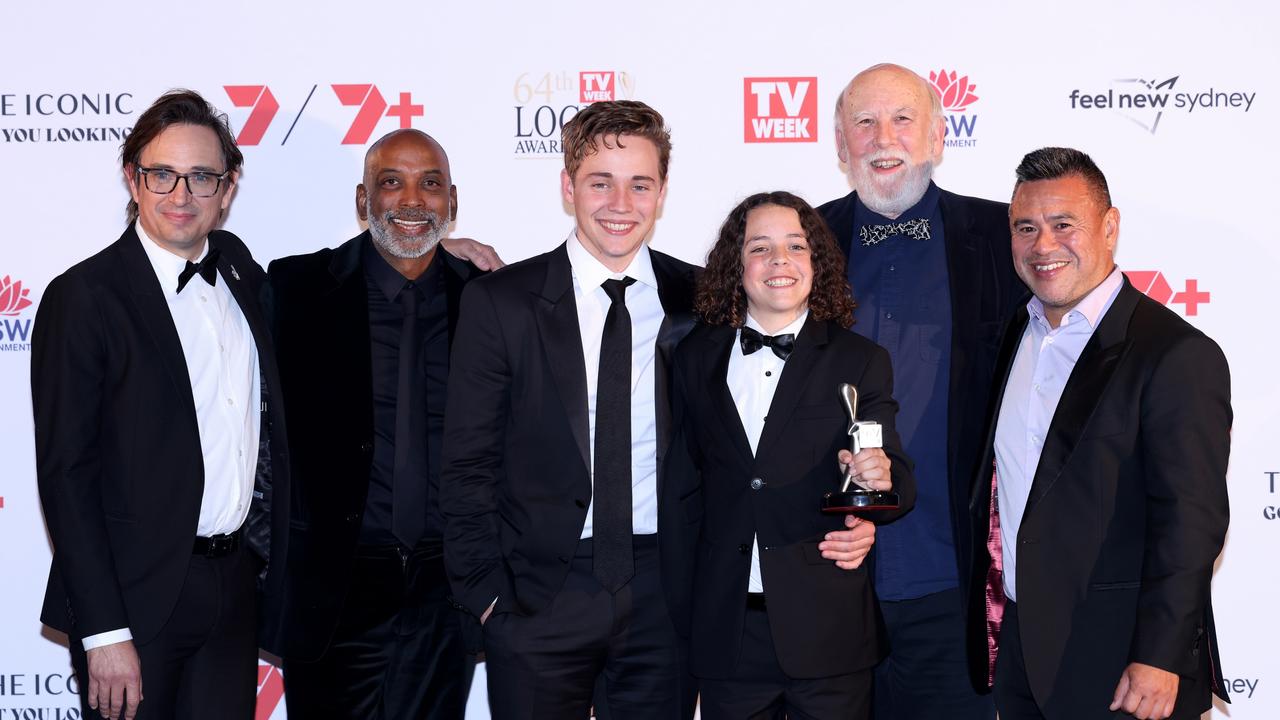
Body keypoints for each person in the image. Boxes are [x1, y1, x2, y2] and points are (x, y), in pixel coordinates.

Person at [442, 99, 714, 719]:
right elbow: (465, 464)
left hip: (664, 594)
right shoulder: (501, 302)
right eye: (601, 183)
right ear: (568, 187)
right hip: (538, 596)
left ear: (662, 192)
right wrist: (488, 598)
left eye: (639, 184)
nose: (621, 204)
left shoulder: (702, 299)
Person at [31, 89, 290, 720]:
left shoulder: (243, 276)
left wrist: (441, 250)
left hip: (232, 591)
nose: (181, 195)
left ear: (227, 189)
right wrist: (104, 632)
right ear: (132, 178)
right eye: (162, 174)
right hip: (133, 600)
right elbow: (67, 477)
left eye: (201, 176)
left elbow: (339, 281)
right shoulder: (84, 296)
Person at [966, 147, 1231, 720]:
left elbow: (1191, 523)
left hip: (1124, 666)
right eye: (1026, 228)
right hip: (1019, 653)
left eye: (1065, 225)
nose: (1043, 245)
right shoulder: (1016, 331)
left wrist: (1161, 657)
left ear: (1109, 228)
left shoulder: (1176, 354)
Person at [267, 129, 502, 718]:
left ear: (453, 200)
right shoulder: (295, 290)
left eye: (430, 184)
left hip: (447, 588)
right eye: (390, 182)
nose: (411, 200)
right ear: (362, 199)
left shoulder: (492, 301)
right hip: (334, 585)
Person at [818, 62, 1024, 719]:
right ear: (840, 143)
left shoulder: (1007, 240)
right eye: (865, 121)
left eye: (903, 119)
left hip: (956, 587)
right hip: (828, 589)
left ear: (938, 138)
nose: (884, 137)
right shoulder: (798, 244)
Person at [666, 190, 915, 719]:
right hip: (725, 631)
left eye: (795, 246)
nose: (779, 261)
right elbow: (680, 485)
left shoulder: (861, 360)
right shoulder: (692, 358)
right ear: (737, 267)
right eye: (760, 247)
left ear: (815, 263)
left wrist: (878, 482)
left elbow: (895, 484)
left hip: (828, 632)